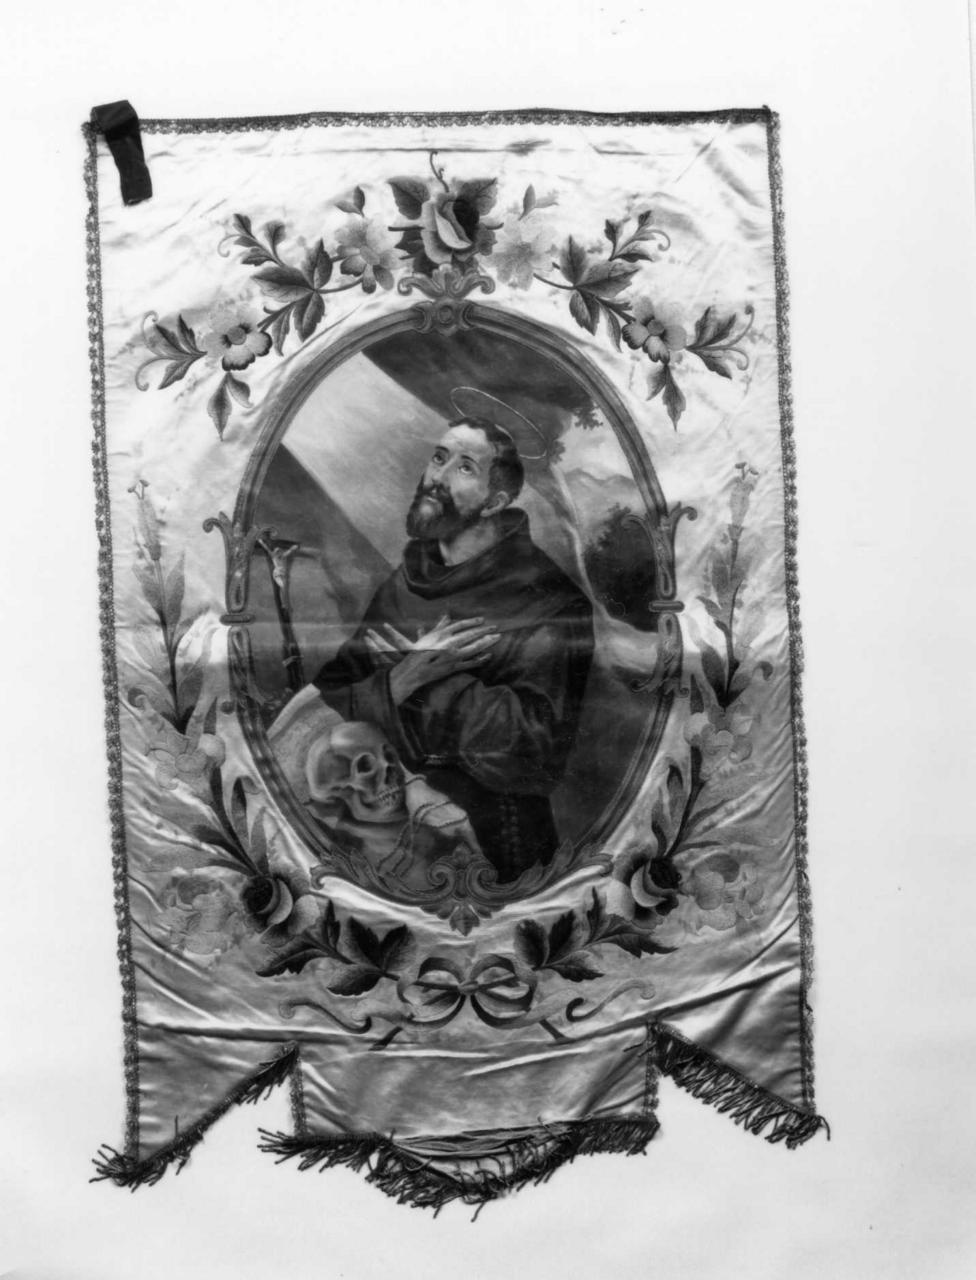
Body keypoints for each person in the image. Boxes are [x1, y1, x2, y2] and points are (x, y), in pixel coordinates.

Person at [312, 415, 594, 882]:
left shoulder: (548, 599)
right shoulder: (404, 584)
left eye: (464, 468)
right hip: (387, 834)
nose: (436, 477)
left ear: (494, 502)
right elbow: (331, 696)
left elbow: (536, 750)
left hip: (497, 841)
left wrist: (429, 680)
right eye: (439, 457)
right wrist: (400, 680)